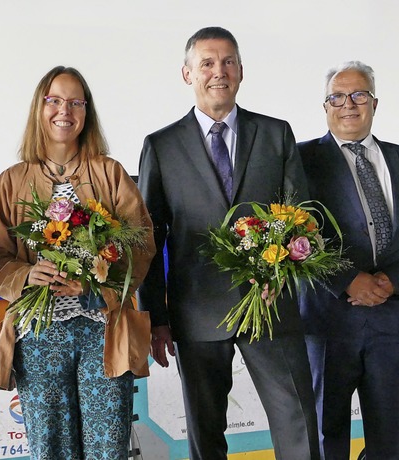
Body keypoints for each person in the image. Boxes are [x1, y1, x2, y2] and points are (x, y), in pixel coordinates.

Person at [137, 26, 320, 459]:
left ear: (241, 71)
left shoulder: (275, 134)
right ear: (187, 74)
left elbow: (303, 218)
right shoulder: (160, 146)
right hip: (196, 312)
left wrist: (284, 273)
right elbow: (150, 237)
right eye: (207, 63)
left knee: (298, 421)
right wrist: (154, 317)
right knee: (205, 433)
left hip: (271, 305)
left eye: (228, 62)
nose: (219, 72)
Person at [0, 65, 156, 459]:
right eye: (54, 101)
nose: (64, 111)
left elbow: (140, 244)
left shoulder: (110, 173)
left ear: (86, 113)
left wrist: (93, 285)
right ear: (40, 109)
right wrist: (26, 274)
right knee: (50, 448)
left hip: (103, 331)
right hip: (39, 334)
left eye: (75, 102)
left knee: (108, 448)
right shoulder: (12, 179)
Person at [298, 61, 399, 459]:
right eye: (337, 96)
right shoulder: (301, 160)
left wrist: (392, 279)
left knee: (392, 437)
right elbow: (297, 233)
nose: (349, 104)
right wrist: (347, 280)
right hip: (328, 320)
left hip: (392, 319)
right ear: (325, 106)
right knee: (327, 433)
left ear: (374, 102)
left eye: (359, 95)